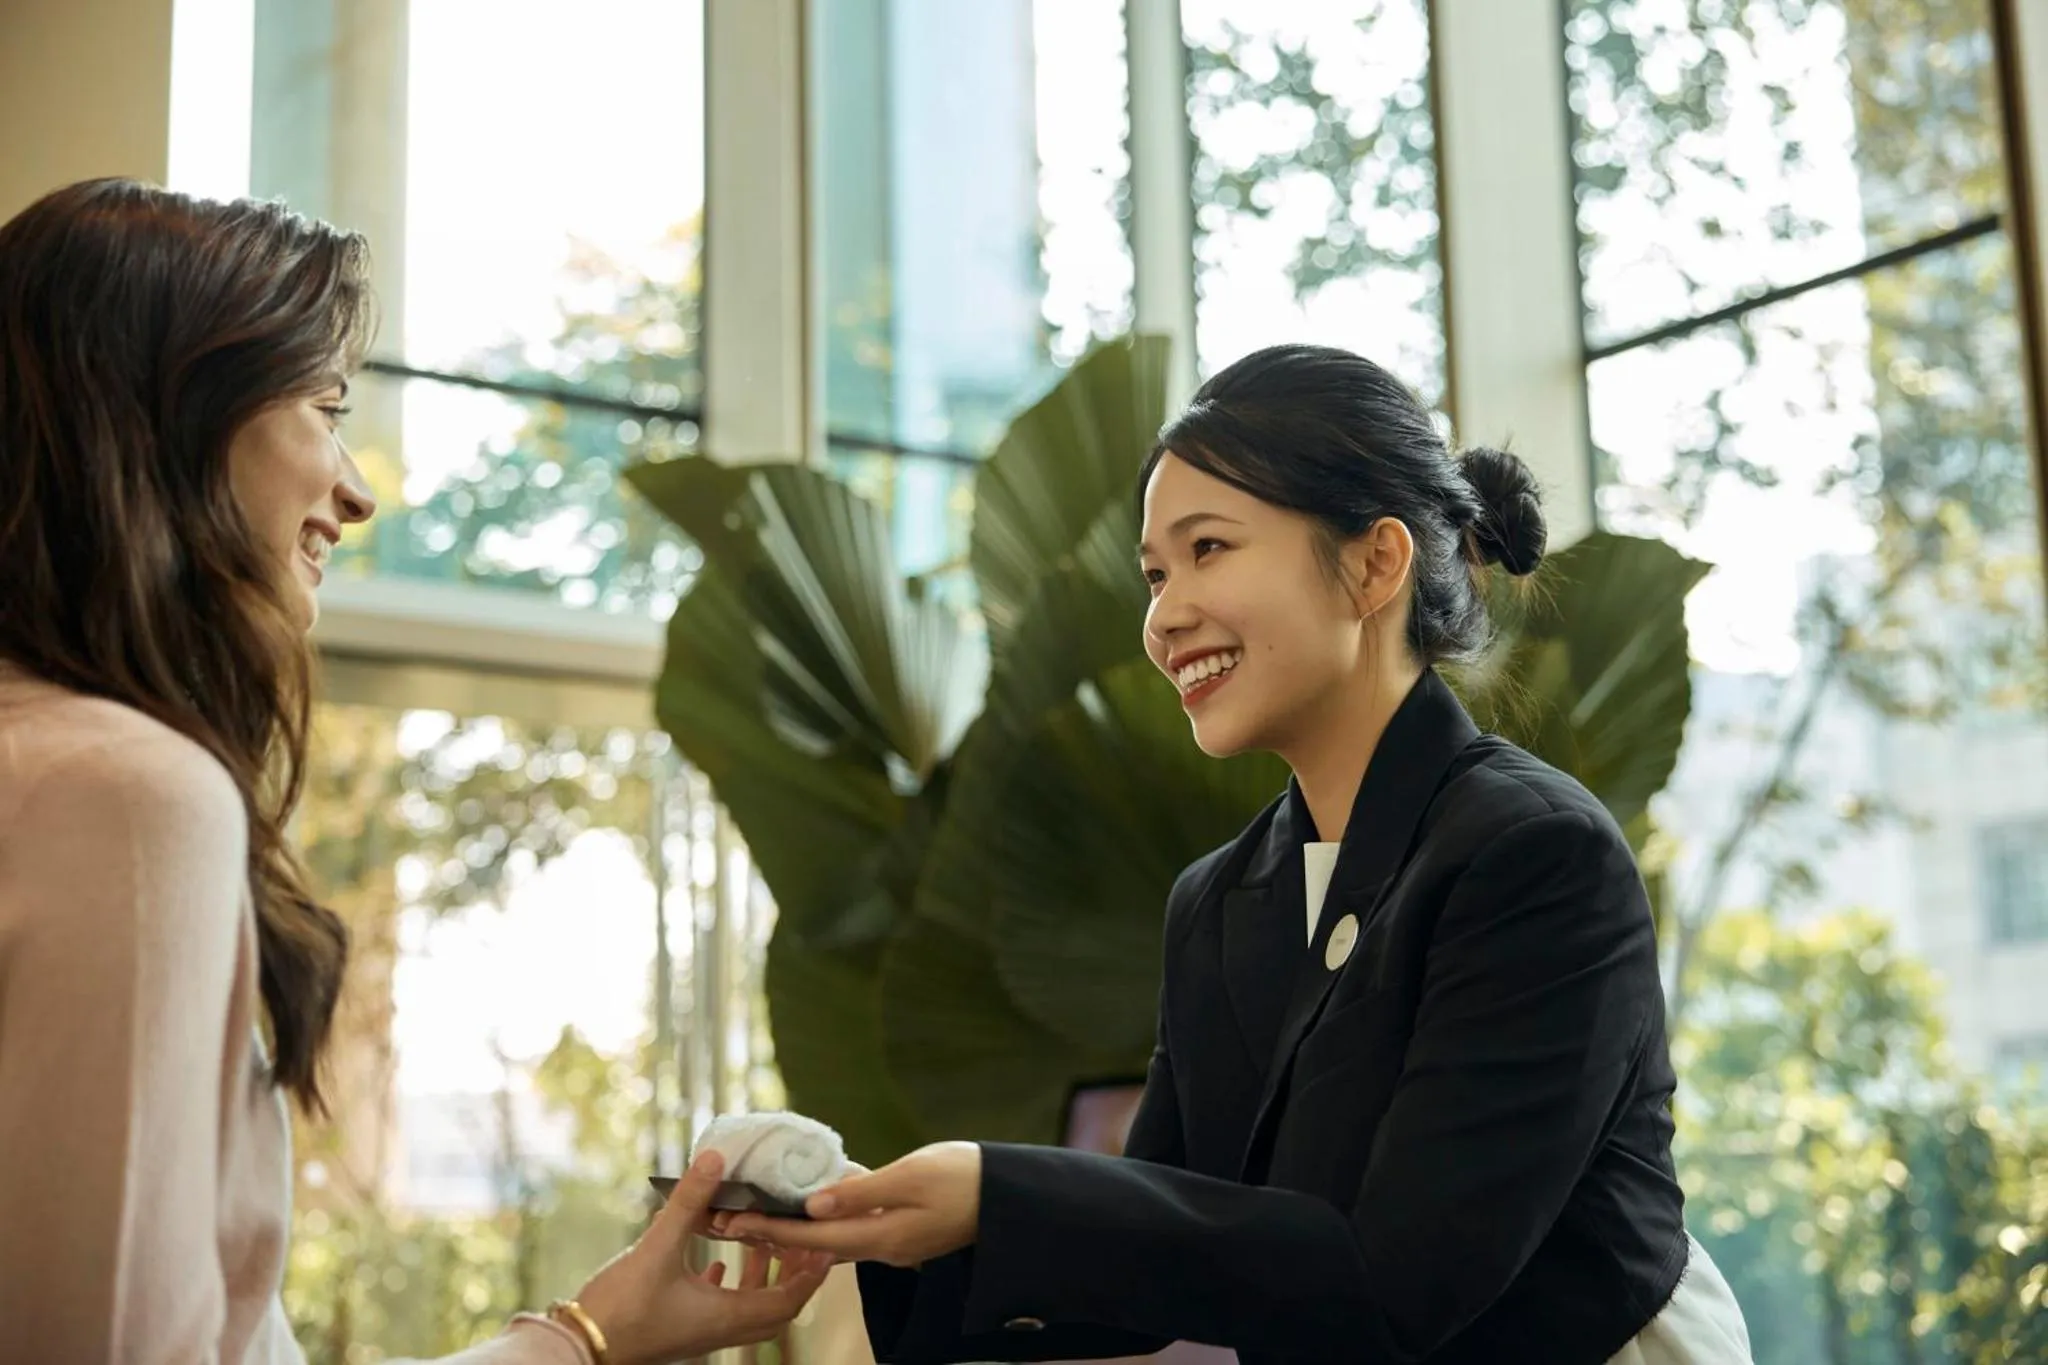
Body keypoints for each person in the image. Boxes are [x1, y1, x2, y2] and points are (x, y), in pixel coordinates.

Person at [717, 345, 1755, 1364]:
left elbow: (1401, 1282)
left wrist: (999, 1189)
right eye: (1153, 573)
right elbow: (1157, 1270)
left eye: (1207, 550)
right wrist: (883, 1224)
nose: (1164, 617)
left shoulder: (1534, 856)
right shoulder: (1216, 901)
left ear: (1372, 563)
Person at [0, 178, 831, 1365]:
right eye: (323, 406)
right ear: (166, 415)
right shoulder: (119, 793)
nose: (357, 488)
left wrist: (586, 1335)